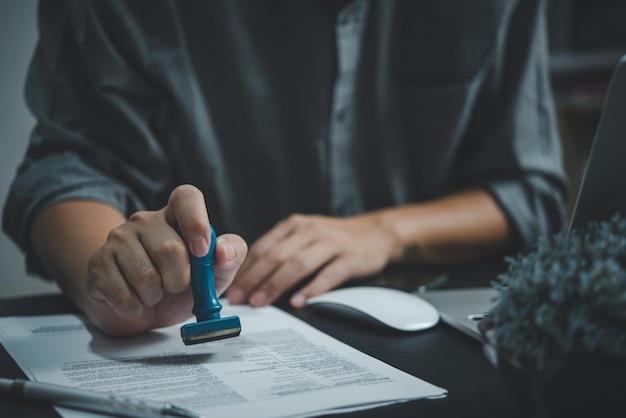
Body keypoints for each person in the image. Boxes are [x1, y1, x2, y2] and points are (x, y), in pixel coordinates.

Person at [2, 0, 568, 337]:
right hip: (184, 337)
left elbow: (528, 188)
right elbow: (65, 166)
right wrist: (115, 285)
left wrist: (385, 233)